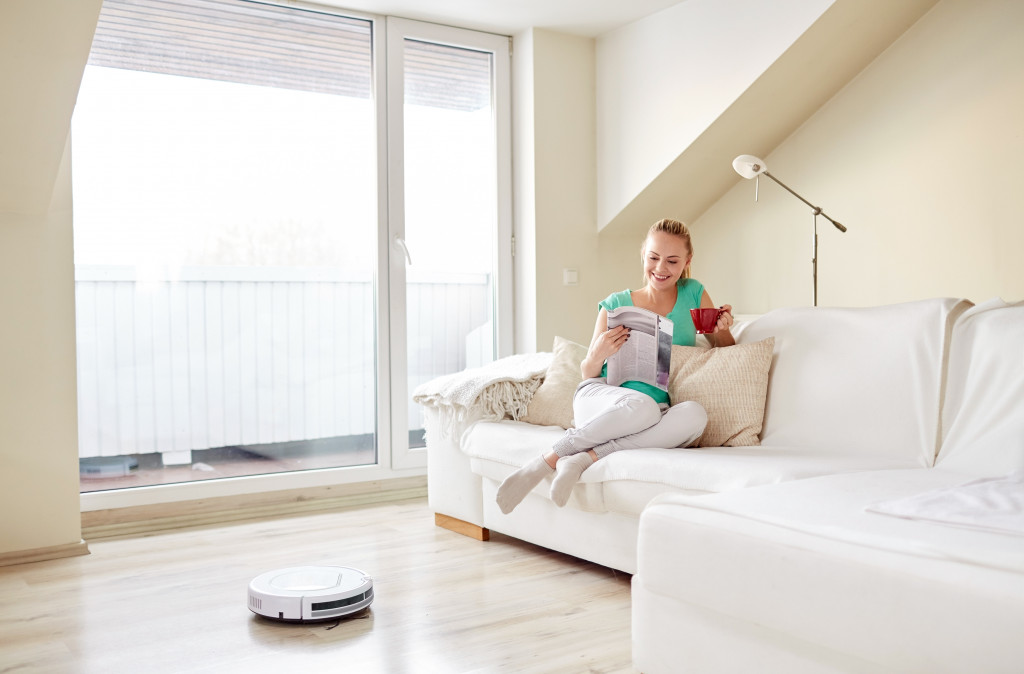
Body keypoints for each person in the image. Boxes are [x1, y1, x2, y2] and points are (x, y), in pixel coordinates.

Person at [496, 218, 735, 514]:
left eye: (672, 261)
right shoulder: (615, 303)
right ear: (643, 255)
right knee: (643, 406)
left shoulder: (694, 294)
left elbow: (724, 350)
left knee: (695, 415)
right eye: (654, 258)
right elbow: (588, 374)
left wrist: (722, 328)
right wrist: (598, 354)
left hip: (652, 412)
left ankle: (584, 458)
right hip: (601, 398)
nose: (661, 269)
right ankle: (546, 460)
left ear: (687, 260)